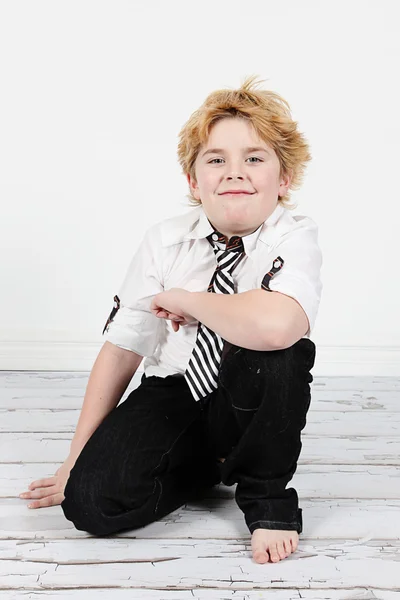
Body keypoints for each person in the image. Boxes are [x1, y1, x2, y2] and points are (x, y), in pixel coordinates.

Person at [19, 75, 322, 564]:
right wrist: (76, 458)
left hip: (249, 389)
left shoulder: (294, 236)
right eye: (216, 159)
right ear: (193, 180)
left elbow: (276, 326)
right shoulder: (164, 240)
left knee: (279, 356)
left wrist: (189, 300)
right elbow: (123, 347)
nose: (234, 172)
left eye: (254, 157)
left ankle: (267, 500)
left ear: (283, 179)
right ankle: (205, 465)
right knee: (89, 504)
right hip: (176, 389)